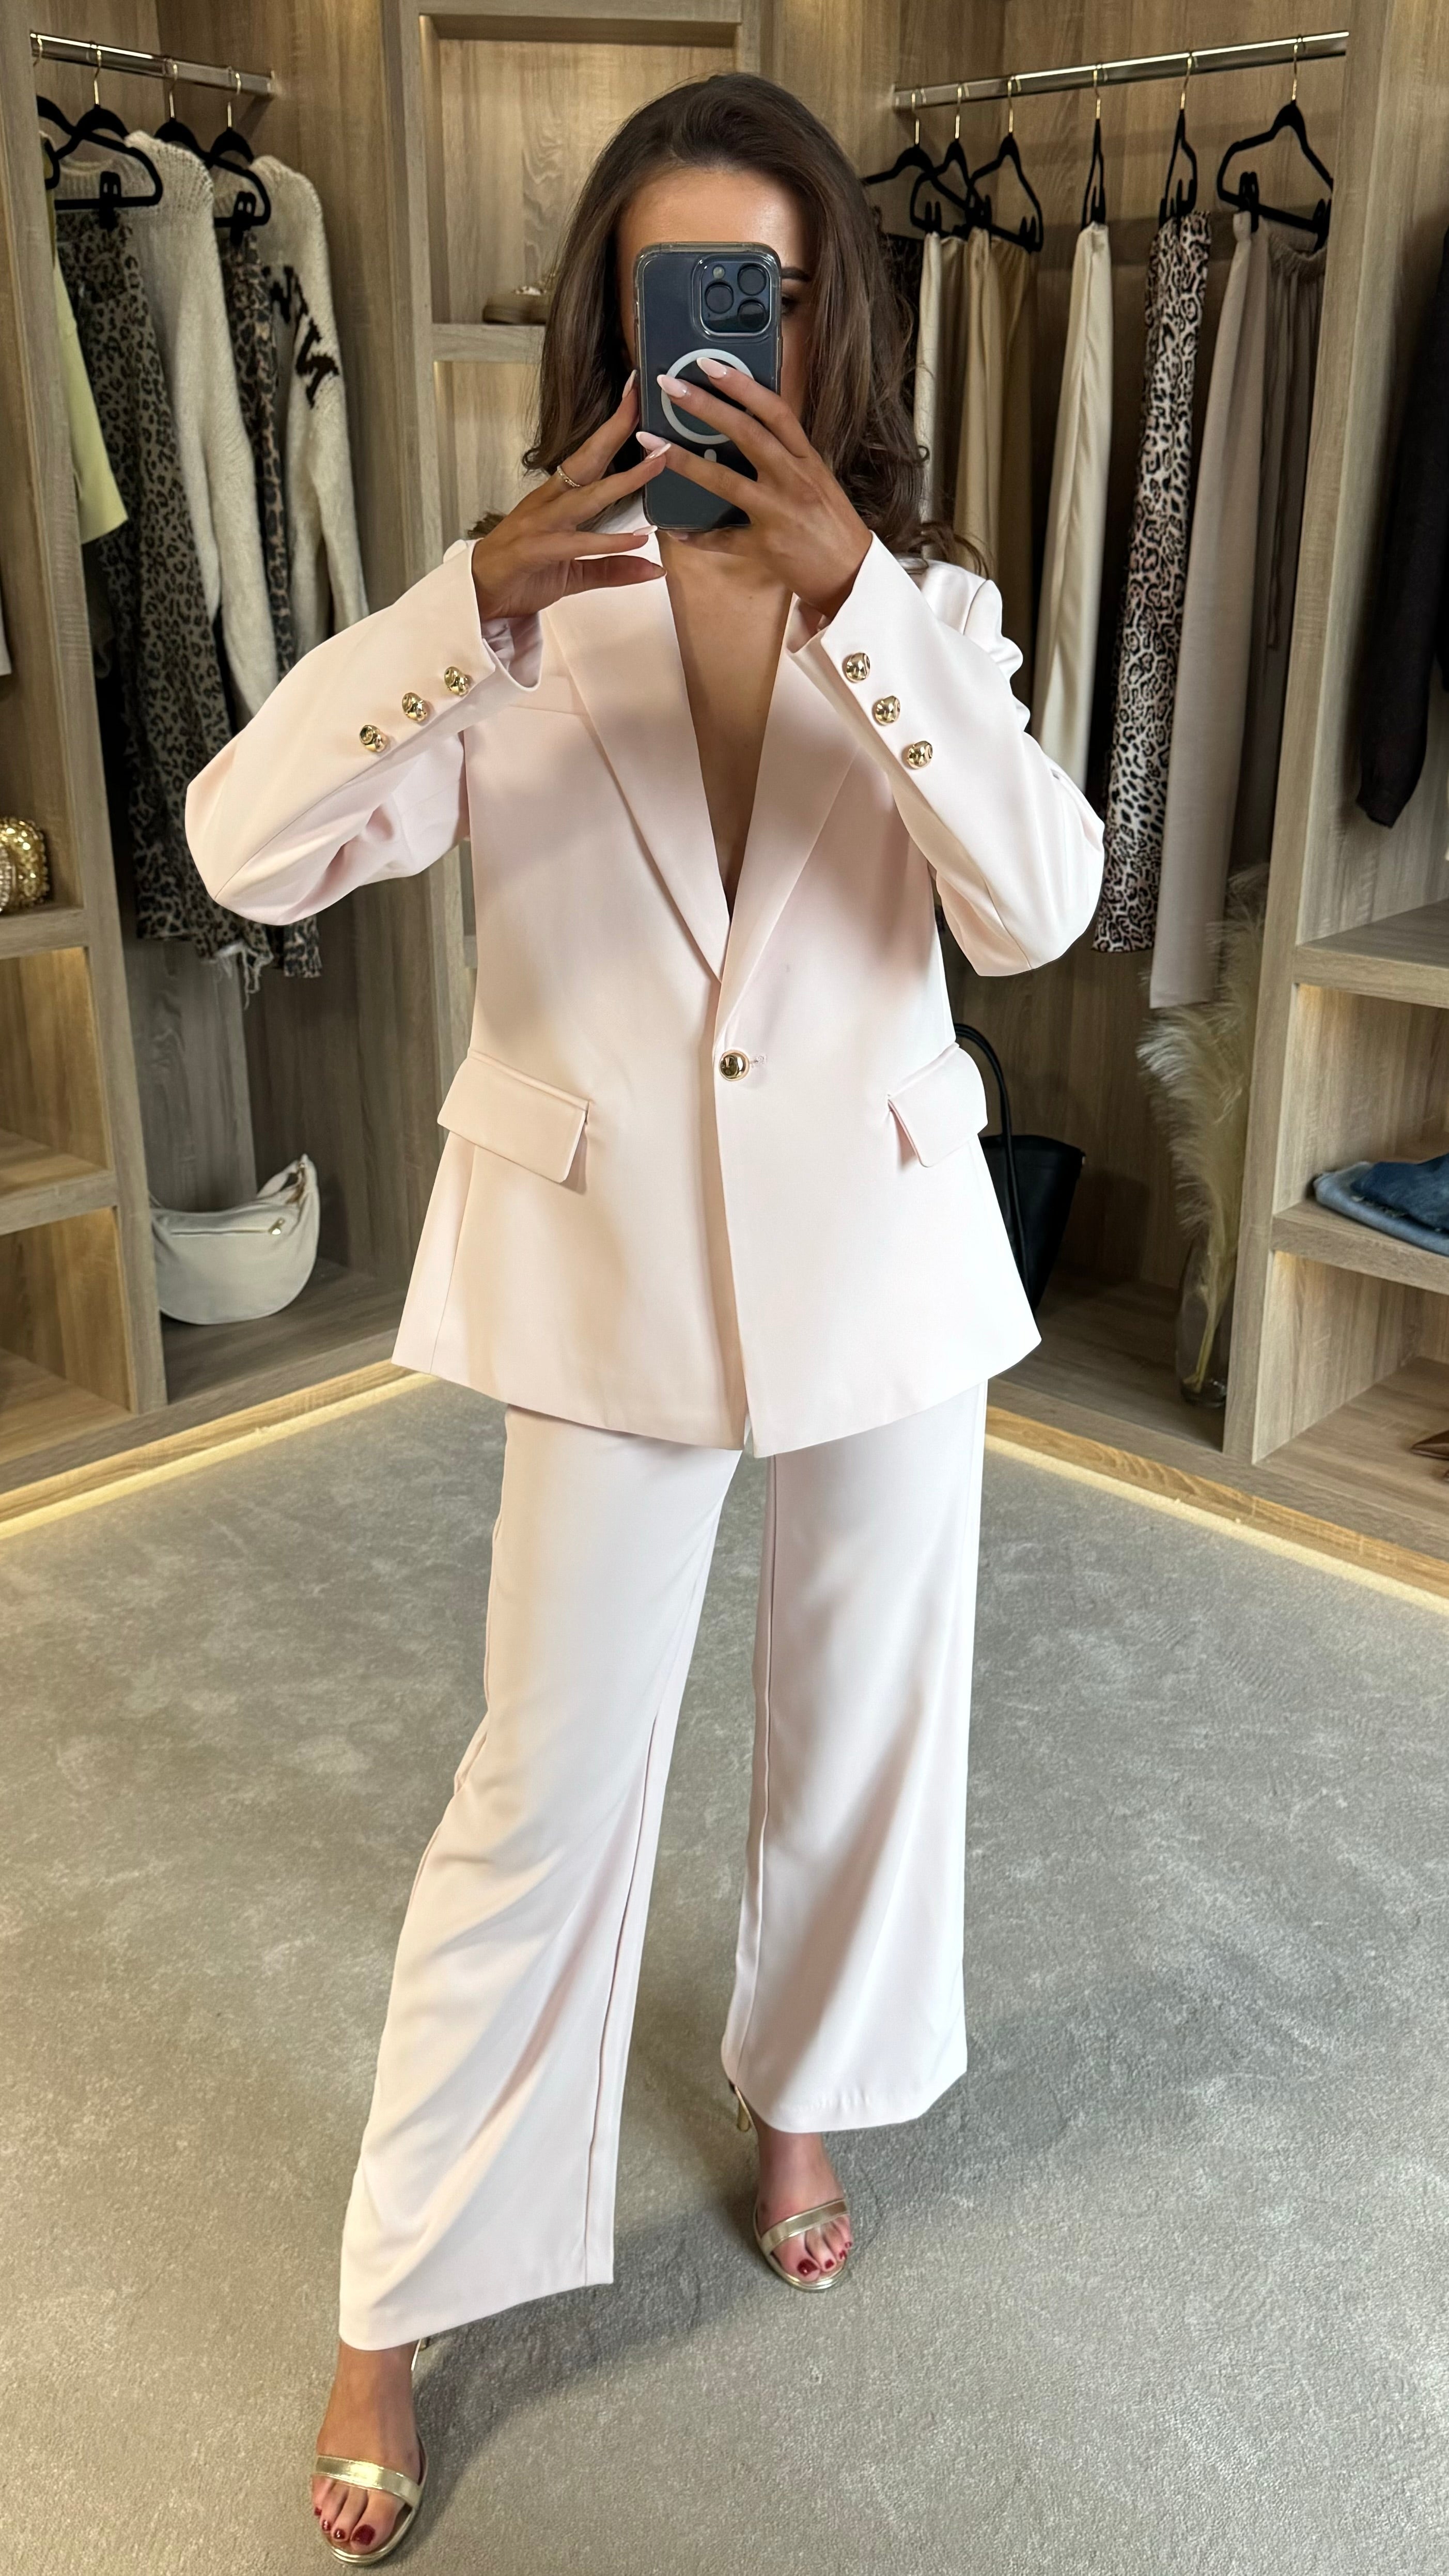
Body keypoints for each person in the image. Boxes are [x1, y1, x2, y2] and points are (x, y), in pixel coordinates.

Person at [187, 70, 1102, 2566]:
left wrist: (858, 598)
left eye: (768, 297)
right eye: (680, 290)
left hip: (882, 1255)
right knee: (543, 1777)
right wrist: (464, 604)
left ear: (829, 321)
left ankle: (801, 2092)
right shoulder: (508, 618)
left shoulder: (930, 607)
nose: (726, 339)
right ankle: (397, 2296)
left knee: (866, 1732)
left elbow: (1035, 907)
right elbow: (241, 847)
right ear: (609, 317)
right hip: (601, 1274)